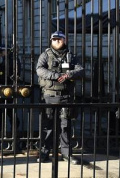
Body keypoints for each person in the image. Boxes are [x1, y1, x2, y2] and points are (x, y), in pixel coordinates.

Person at [36, 31, 84, 165]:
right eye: (54, 39)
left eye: (59, 39)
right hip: (49, 96)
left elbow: (80, 70)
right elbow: (39, 69)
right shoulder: (45, 55)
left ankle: (67, 154)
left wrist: (68, 75)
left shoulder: (71, 56)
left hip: (66, 96)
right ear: (51, 41)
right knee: (48, 126)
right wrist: (55, 75)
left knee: (65, 126)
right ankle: (44, 153)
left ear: (64, 40)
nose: (57, 41)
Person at [0, 44, 21, 151]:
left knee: (8, 111)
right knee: (3, 111)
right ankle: (1, 131)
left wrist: (7, 81)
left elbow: (14, 74)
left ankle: (9, 132)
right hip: (3, 88)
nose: (0, 53)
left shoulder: (11, 59)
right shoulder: (6, 59)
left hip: (8, 89)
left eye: (2, 51)